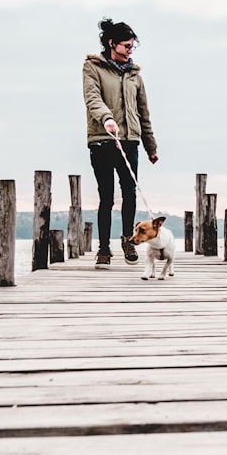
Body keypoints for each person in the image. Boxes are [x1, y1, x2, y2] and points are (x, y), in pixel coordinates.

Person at [82, 18, 159, 268]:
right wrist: (107, 119)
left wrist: (151, 146)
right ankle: (103, 248)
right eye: (126, 45)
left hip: (130, 141)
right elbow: (92, 98)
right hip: (103, 140)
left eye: (132, 47)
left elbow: (143, 112)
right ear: (112, 43)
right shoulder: (92, 67)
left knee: (130, 192)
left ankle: (128, 240)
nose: (129, 50)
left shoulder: (135, 74)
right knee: (106, 196)